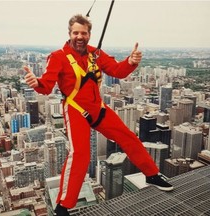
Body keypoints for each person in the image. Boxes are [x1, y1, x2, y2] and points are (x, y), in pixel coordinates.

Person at [24, 14, 174, 216]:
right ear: (69, 34)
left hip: (98, 108)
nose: (79, 36)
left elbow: (117, 70)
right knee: (80, 154)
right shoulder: (58, 57)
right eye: (75, 32)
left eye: (83, 33)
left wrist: (130, 61)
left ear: (89, 35)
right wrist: (37, 83)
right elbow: (47, 84)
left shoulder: (96, 54)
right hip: (76, 110)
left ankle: (152, 174)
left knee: (127, 136)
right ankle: (63, 205)